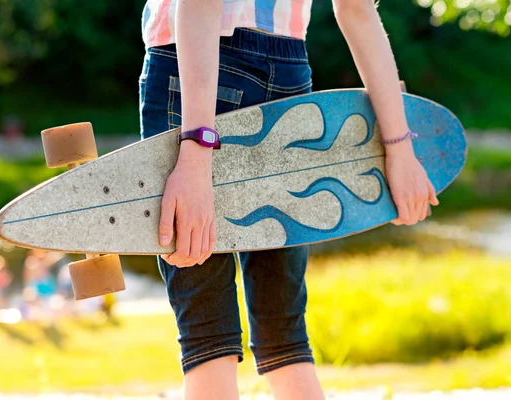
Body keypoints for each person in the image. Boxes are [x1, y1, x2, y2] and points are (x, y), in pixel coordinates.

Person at [139, 1, 439, 399]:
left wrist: (195, 153)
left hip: (194, 56)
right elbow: (357, 10)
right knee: (286, 339)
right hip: (288, 69)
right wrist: (399, 148)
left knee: (207, 336)